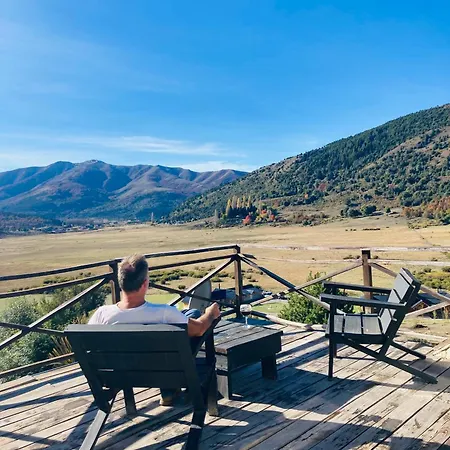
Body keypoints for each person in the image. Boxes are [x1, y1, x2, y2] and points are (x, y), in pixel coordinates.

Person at [88, 253, 220, 405]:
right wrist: (210, 313)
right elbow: (200, 329)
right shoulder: (164, 313)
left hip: (120, 375)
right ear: (145, 284)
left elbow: (89, 348)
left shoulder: (102, 314)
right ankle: (169, 389)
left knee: (190, 314)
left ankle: (169, 391)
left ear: (120, 283)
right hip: (166, 371)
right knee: (193, 316)